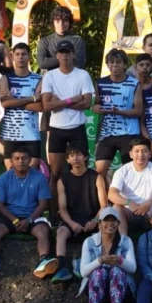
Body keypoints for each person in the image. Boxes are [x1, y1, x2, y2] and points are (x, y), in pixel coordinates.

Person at [0, 145, 55, 280]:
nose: (21, 161)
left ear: (30, 160)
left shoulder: (39, 178)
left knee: (43, 230)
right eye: (17, 158)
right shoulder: (4, 178)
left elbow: (43, 205)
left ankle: (44, 261)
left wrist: (28, 220)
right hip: (10, 216)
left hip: (32, 216)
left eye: (24, 158)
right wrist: (14, 220)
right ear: (11, 161)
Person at [41, 40, 95, 194]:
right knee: (55, 172)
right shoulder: (50, 76)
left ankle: (81, 204)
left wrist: (59, 103)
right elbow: (47, 105)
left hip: (77, 127)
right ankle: (54, 207)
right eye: (61, 52)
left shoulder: (83, 74)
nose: (64, 55)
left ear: (73, 55)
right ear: (57, 55)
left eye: (67, 52)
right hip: (57, 129)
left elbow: (87, 103)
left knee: (80, 169)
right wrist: (71, 100)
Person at [53, 147, 108, 283]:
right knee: (61, 232)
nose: (75, 158)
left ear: (85, 157)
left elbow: (104, 205)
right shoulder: (63, 180)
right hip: (72, 220)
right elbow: (62, 209)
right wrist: (71, 224)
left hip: (93, 219)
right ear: (67, 160)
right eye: (71, 155)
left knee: (105, 231)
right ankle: (62, 267)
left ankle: (92, 265)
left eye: (78, 154)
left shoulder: (96, 177)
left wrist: (95, 220)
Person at [81, 206, 136, 303]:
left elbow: (133, 268)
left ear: (118, 223)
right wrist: (100, 261)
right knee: (98, 272)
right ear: (99, 224)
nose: (110, 223)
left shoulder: (126, 241)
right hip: (95, 287)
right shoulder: (89, 242)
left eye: (114, 220)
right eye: (106, 220)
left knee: (117, 271)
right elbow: (83, 271)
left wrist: (119, 261)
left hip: (120, 288)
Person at [93, 49, 142, 180]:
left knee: (131, 171)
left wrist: (118, 112)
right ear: (107, 64)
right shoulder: (100, 82)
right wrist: (96, 108)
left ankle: (127, 194)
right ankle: (107, 194)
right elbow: (96, 104)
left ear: (124, 65)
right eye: (111, 62)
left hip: (129, 133)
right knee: (100, 171)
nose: (115, 65)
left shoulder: (134, 83)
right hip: (107, 133)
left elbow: (138, 111)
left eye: (118, 62)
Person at [0, 42, 43, 170]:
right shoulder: (6, 78)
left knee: (33, 171)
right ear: (12, 57)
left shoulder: (38, 78)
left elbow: (40, 107)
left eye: (24, 54)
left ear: (29, 57)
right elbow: (5, 103)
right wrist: (32, 98)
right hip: (11, 133)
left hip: (31, 133)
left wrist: (14, 101)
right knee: (11, 171)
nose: (20, 57)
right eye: (17, 54)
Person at [108, 138, 152, 234]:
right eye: (136, 151)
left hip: (149, 211)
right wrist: (129, 203)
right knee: (116, 207)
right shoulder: (122, 171)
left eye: (144, 151)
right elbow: (112, 194)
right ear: (131, 154)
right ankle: (124, 240)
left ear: (150, 154)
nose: (140, 155)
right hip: (129, 211)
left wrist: (148, 204)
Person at [37, 5, 88, 71]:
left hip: (72, 76)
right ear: (53, 22)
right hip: (51, 77)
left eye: (65, 20)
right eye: (58, 20)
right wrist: (66, 58)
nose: (61, 23)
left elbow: (78, 64)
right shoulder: (45, 41)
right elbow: (42, 63)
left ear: (69, 22)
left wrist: (54, 60)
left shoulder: (77, 40)